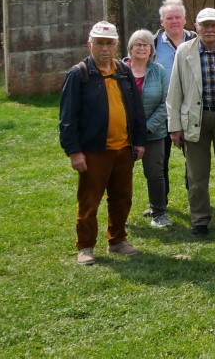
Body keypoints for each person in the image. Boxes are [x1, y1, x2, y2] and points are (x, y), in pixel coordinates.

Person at [60, 21, 147, 265]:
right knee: (89, 200)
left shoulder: (123, 71)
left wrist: (139, 140)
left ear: (117, 45)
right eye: (99, 43)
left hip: (123, 149)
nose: (105, 48)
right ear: (90, 44)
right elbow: (67, 118)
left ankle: (117, 240)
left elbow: (136, 109)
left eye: (109, 43)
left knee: (122, 198)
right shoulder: (78, 74)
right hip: (94, 151)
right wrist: (74, 152)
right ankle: (85, 246)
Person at [166, 7, 215, 236]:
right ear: (196, 27)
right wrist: (174, 127)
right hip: (195, 118)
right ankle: (199, 218)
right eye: (205, 25)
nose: (209, 30)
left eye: (214, 25)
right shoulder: (184, 51)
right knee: (197, 175)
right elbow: (175, 90)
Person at [124, 29, 171, 228]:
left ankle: (158, 213)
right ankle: (119, 214)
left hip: (154, 132)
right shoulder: (119, 70)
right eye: (138, 44)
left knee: (155, 172)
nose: (142, 48)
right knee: (121, 174)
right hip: (123, 133)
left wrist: (146, 128)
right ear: (130, 48)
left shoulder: (159, 70)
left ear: (151, 50)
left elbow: (165, 103)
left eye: (146, 45)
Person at [152, 0, 194, 216]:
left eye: (178, 17)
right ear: (162, 21)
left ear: (185, 19)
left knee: (193, 160)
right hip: (161, 110)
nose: (174, 21)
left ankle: (194, 200)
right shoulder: (152, 44)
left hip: (190, 110)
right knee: (160, 160)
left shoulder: (197, 40)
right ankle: (160, 203)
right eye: (169, 18)